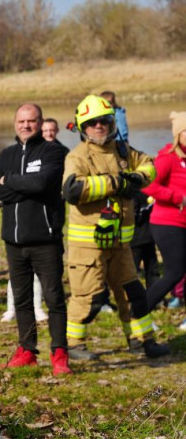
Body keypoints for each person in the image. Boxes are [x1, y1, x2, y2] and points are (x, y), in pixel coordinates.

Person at [62, 94, 169, 359]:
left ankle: (142, 341)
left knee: (133, 293)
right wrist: (114, 183)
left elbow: (150, 165)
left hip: (121, 243)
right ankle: (74, 345)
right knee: (88, 297)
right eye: (93, 122)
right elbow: (72, 189)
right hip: (89, 245)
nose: (99, 126)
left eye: (105, 121)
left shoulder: (123, 151)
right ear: (81, 127)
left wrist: (137, 177)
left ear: (112, 124)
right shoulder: (77, 156)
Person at [0, 103, 71, 375]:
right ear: (15, 123)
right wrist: (24, 185)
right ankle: (26, 350)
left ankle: (59, 354)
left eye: (31, 121)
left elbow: (43, 184)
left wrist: (7, 181)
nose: (25, 125)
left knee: (54, 298)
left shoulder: (54, 151)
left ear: (40, 122)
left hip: (45, 239)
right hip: (14, 240)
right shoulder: (7, 153)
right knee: (22, 299)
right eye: (21, 121)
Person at [140, 111, 186, 314]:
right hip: (168, 223)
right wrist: (178, 198)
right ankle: (139, 313)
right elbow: (148, 185)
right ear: (179, 135)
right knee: (174, 273)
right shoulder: (168, 157)